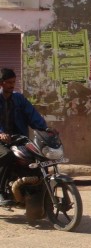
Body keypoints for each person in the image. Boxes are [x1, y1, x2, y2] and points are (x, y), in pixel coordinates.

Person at [0, 68, 51, 206]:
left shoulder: (18, 98)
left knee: (38, 157)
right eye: (9, 82)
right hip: (1, 139)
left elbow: (32, 114)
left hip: (17, 138)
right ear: (1, 83)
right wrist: (1, 133)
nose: (12, 85)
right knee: (7, 155)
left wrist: (45, 128)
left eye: (13, 82)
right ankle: (0, 192)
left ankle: (39, 193)